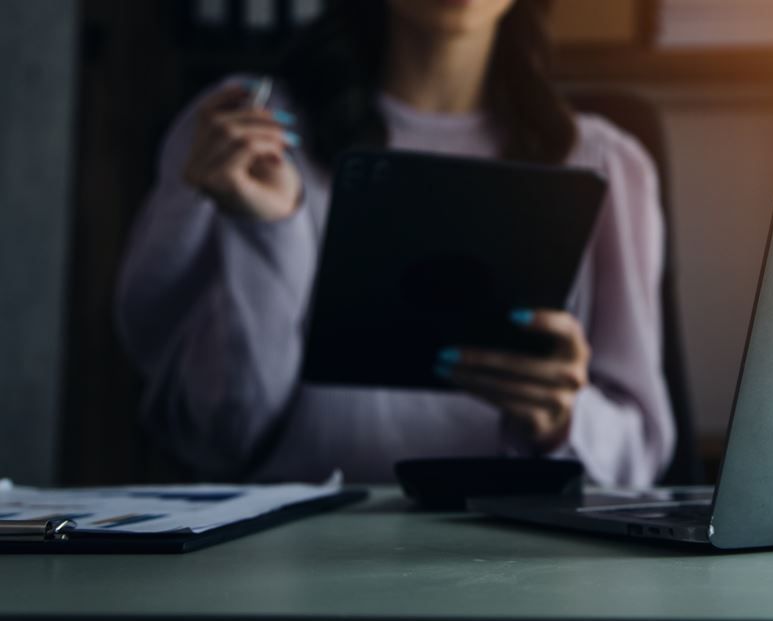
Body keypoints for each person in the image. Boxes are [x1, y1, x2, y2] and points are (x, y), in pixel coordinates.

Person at [115, 0, 674, 486]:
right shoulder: (244, 135)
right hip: (291, 549)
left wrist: (563, 418)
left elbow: (640, 457)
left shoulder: (605, 165)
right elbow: (217, 434)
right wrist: (268, 232)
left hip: (517, 555)